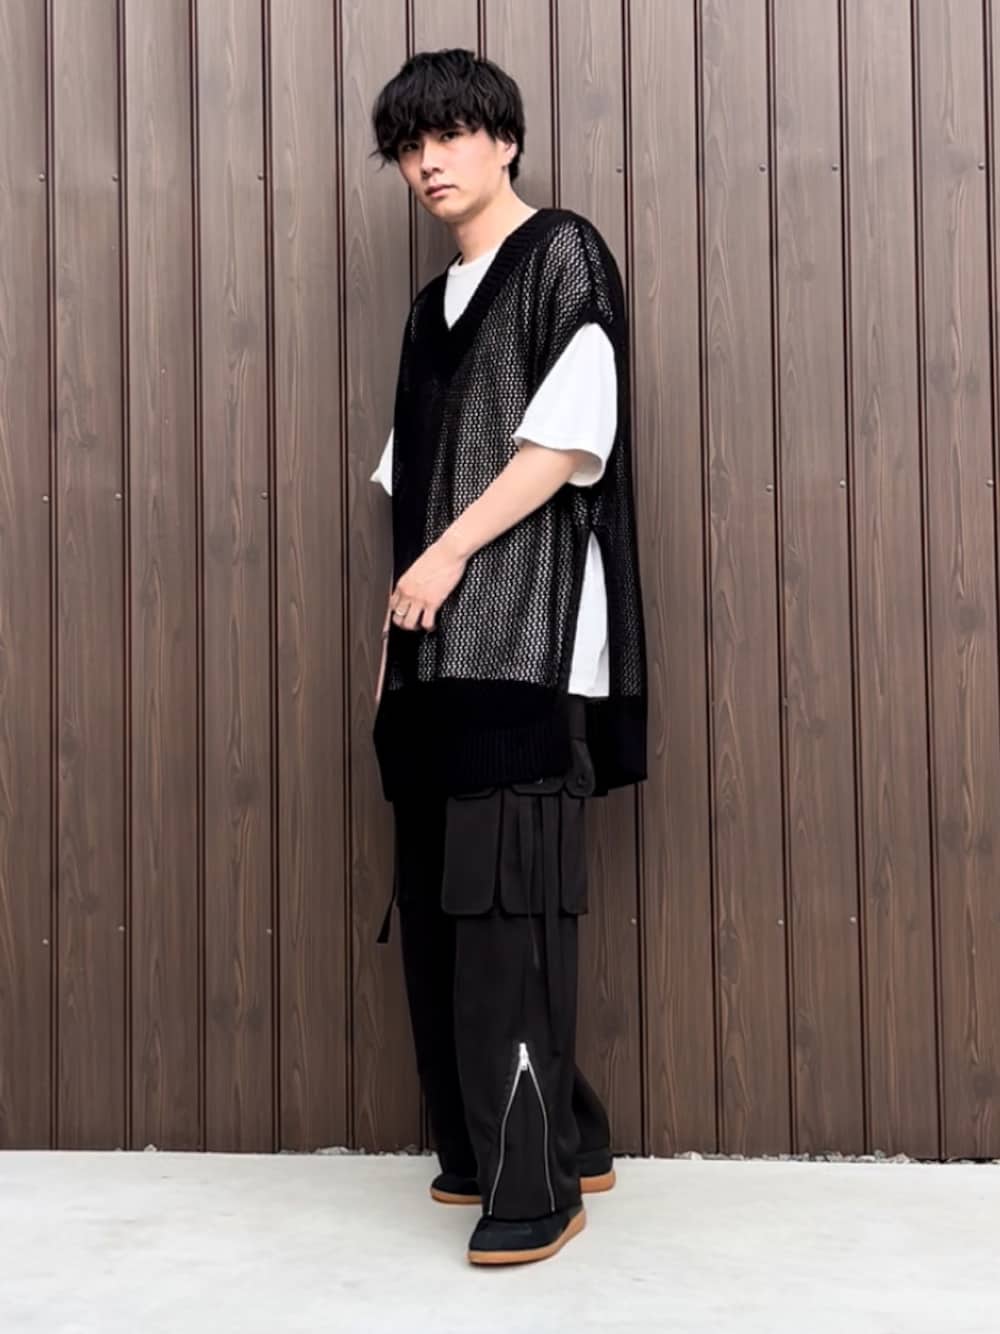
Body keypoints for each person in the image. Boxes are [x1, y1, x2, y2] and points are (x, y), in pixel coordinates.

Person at [368, 48, 647, 1267]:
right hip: (435, 658)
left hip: (524, 645)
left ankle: (538, 1185)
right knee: (447, 912)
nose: (427, 161)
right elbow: (409, 483)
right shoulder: (430, 307)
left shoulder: (562, 255)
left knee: (504, 911)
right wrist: (395, 636)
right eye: (408, 144)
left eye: (449, 134)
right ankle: (538, 1139)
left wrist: (442, 558)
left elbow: (562, 445)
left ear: (505, 140)